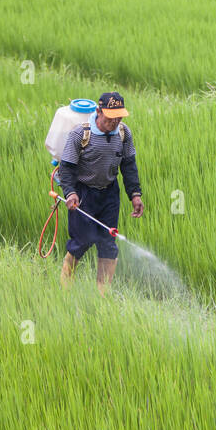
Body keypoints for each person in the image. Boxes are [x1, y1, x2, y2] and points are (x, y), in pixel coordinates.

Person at [56, 91, 144, 293]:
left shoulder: (124, 133)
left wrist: (135, 195)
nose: (115, 122)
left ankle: (102, 294)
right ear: (98, 111)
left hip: (109, 194)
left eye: (119, 117)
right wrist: (70, 193)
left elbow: (129, 165)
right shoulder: (81, 134)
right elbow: (67, 168)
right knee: (81, 241)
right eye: (111, 117)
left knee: (108, 243)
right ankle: (65, 288)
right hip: (83, 193)